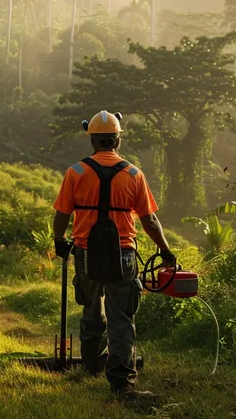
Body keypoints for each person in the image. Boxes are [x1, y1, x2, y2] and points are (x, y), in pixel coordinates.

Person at [52, 110, 175, 404]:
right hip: (124, 255)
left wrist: (59, 241)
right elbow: (150, 221)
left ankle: (92, 363)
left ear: (92, 139)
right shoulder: (134, 174)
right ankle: (122, 384)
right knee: (121, 317)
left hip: (86, 253)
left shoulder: (76, 172)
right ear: (117, 139)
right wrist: (166, 251)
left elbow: (61, 214)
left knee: (91, 309)